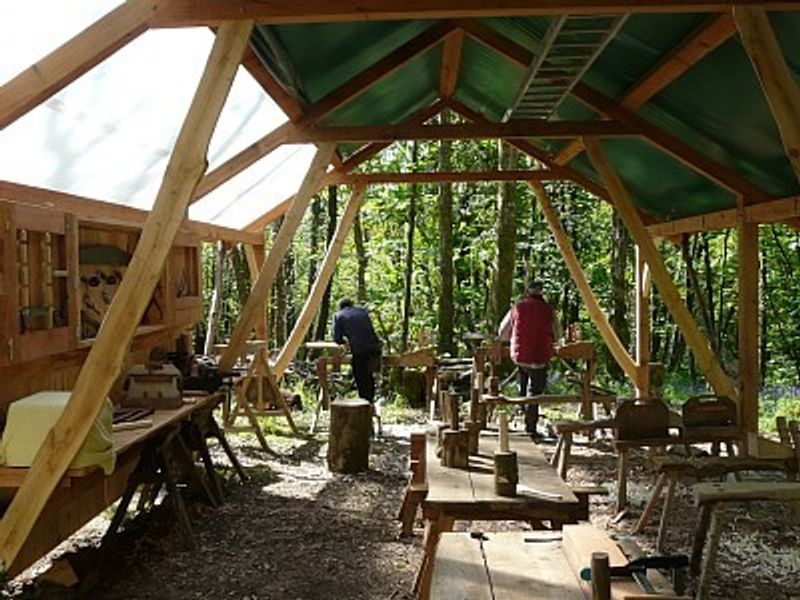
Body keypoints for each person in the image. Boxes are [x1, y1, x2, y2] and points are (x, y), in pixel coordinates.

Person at [498, 282, 561, 438]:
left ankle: (524, 413)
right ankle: (530, 427)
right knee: (535, 391)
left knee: (524, 380)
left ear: (527, 292)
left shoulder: (517, 307)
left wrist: (514, 339)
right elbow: (558, 334)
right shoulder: (549, 310)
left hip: (520, 356)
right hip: (541, 355)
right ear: (541, 294)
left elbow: (502, 332)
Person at [333, 299, 382, 403]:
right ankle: (371, 401)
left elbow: (337, 339)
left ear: (341, 307)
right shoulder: (362, 311)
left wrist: (345, 342)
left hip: (360, 349)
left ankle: (364, 403)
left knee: (360, 375)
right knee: (369, 375)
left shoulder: (339, 315)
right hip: (375, 347)